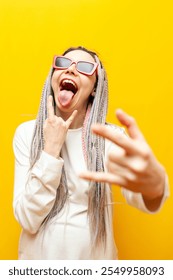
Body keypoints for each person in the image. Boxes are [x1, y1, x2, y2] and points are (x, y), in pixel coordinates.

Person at [13, 46, 169, 260]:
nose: (70, 70)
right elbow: (27, 218)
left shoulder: (109, 137)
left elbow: (140, 192)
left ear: (95, 88)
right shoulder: (27, 133)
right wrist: (50, 150)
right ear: (53, 75)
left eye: (85, 67)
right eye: (63, 63)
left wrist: (154, 187)